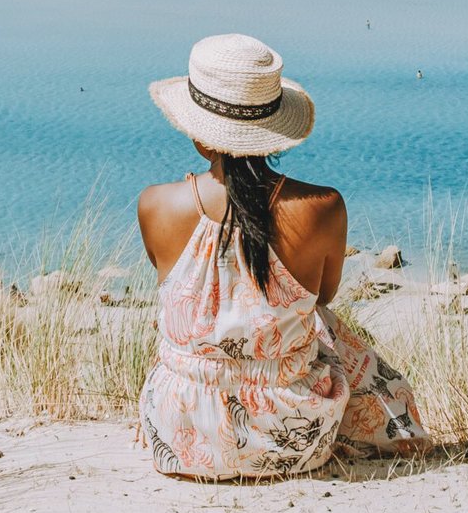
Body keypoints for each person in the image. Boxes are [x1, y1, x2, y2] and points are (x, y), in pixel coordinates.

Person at [136, 33, 428, 480]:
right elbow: (322, 297)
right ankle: (395, 428)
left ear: (197, 134)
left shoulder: (156, 205)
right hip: (294, 439)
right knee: (326, 326)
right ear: (274, 130)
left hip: (180, 437)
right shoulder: (323, 207)